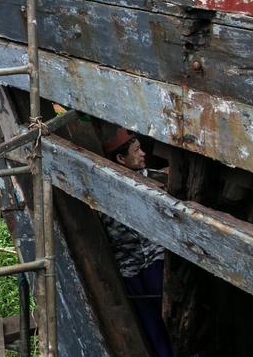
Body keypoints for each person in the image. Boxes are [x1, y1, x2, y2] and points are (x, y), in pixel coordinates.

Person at [101, 129, 176, 357]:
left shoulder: (150, 179)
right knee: (159, 323)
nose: (143, 153)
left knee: (162, 322)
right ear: (120, 159)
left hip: (143, 267)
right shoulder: (117, 185)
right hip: (141, 268)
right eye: (136, 151)